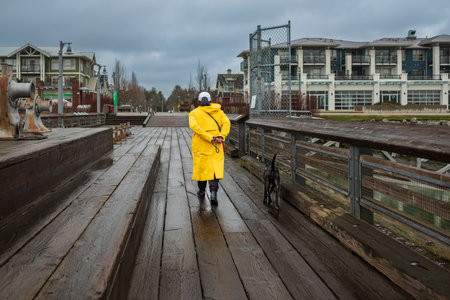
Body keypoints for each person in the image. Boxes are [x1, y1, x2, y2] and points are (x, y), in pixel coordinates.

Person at [189, 91, 230, 206]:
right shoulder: (219, 112)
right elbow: (226, 124)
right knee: (214, 170)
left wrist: (209, 137)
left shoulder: (194, 113)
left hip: (201, 145)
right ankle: (213, 193)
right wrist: (221, 136)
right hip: (216, 144)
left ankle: (202, 191)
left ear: (198, 101)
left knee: (202, 168)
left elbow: (194, 127)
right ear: (211, 101)